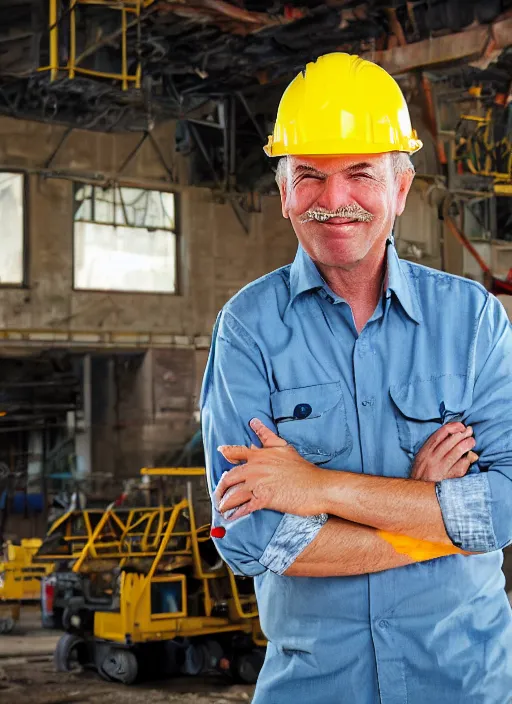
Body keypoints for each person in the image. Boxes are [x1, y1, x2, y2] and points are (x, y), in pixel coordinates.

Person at [200, 53, 512, 703]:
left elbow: (505, 508)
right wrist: (430, 521)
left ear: (400, 189)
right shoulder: (249, 330)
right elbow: (254, 540)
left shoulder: (474, 320)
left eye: (361, 173)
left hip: (461, 682)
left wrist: (315, 487)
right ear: (284, 192)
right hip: (314, 686)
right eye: (309, 175)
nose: (334, 200)